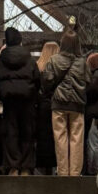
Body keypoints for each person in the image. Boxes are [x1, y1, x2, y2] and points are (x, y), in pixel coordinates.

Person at [0, 27, 40, 175]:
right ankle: (26, 168)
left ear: (7, 42)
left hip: (9, 100)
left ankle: (13, 167)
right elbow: (37, 78)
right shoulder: (29, 58)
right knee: (27, 132)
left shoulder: (2, 59)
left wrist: (1, 83)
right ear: (20, 41)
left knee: (11, 133)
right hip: (27, 100)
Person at [43, 30, 89, 177]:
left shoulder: (53, 60)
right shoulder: (83, 62)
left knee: (60, 138)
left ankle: (63, 173)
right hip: (77, 104)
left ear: (62, 44)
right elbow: (89, 82)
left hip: (58, 103)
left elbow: (47, 81)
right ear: (77, 44)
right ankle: (75, 173)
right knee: (77, 139)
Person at [34, 41, 60, 174]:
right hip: (57, 104)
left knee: (42, 136)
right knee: (56, 135)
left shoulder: (38, 66)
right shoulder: (59, 67)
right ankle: (55, 165)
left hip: (41, 107)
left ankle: (41, 165)